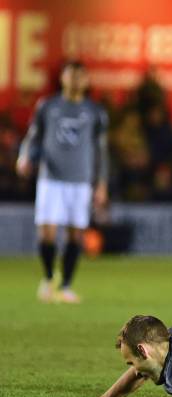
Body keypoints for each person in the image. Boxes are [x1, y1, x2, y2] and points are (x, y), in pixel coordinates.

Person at [16, 61, 109, 303]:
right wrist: (24, 157)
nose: (76, 79)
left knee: (75, 235)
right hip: (51, 178)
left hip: (80, 180)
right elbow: (33, 136)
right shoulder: (48, 106)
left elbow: (101, 150)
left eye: (81, 75)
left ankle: (66, 286)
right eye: (72, 74)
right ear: (63, 78)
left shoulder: (95, 112)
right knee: (47, 233)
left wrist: (101, 183)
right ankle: (48, 279)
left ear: (87, 81)